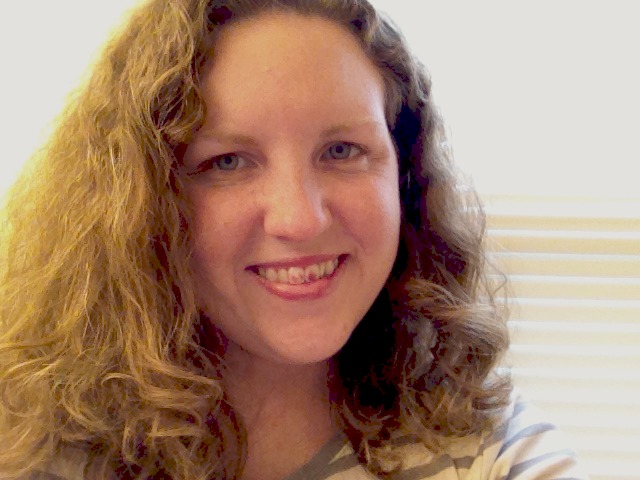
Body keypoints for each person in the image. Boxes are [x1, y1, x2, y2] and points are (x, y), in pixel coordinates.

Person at [0, 1, 586, 479]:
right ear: (138, 202)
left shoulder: (493, 451)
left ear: (403, 178)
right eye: (228, 161)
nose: (301, 220)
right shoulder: (34, 447)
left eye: (342, 151)